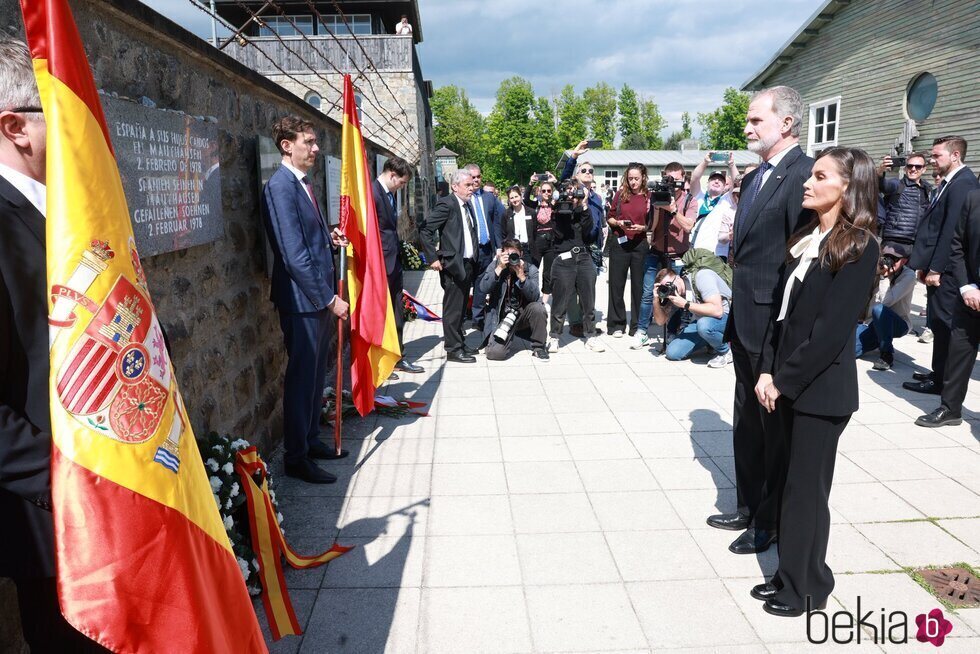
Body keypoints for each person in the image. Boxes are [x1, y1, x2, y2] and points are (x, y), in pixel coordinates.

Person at [0, 37, 109, 652]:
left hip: (109, 484)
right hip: (55, 513)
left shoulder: (65, 211)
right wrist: (69, 480)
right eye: (57, 110)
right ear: (15, 126)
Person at [752, 147, 880, 618]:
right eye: (811, 175)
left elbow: (829, 333)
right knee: (789, 485)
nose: (808, 182)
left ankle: (807, 587)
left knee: (806, 492)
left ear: (848, 186)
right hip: (787, 382)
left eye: (820, 176)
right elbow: (781, 315)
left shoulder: (860, 246)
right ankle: (788, 573)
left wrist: (782, 381)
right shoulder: (808, 237)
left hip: (821, 392)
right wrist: (767, 370)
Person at [708, 85, 814, 557]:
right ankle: (748, 506)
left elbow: (799, 262)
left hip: (773, 324)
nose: (747, 128)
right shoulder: (753, 178)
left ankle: (769, 520)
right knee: (746, 422)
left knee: (773, 429)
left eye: (756, 120)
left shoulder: (803, 175)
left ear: (786, 123)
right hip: (744, 320)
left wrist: (784, 332)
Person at [261, 116, 351, 484]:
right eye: (308, 142)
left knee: (315, 377)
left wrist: (329, 237)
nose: (316, 148)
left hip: (315, 299)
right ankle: (296, 457)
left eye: (315, 142)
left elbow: (306, 239)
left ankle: (311, 440)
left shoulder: (301, 183)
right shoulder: (280, 187)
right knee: (301, 380)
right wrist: (329, 299)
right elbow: (293, 255)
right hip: (303, 302)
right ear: (287, 145)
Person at [905, 136, 979, 395]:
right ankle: (938, 374)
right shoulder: (951, 182)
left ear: (955, 155)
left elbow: (951, 232)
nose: (932, 160)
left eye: (937, 156)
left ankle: (942, 382)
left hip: (947, 271)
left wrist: (936, 268)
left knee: (945, 325)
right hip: (938, 268)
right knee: (937, 322)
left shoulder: (963, 183)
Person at [916, 189, 980, 427]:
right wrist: (967, 286)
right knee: (958, 353)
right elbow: (957, 245)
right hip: (970, 295)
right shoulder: (973, 198)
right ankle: (950, 409)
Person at [632, 161, 699, 349]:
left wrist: (673, 210)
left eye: (675, 180)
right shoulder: (657, 196)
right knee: (648, 293)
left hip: (678, 255)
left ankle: (672, 331)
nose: (672, 184)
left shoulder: (690, 200)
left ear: (683, 179)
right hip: (656, 252)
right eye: (669, 179)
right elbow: (651, 228)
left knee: (676, 294)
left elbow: (688, 226)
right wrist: (656, 207)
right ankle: (642, 331)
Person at [419, 169, 480, 363]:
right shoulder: (447, 204)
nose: (471, 188)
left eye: (472, 185)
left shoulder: (466, 205)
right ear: (455, 186)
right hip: (453, 265)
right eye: (467, 185)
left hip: (468, 263)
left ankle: (460, 342)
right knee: (453, 308)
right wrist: (432, 258)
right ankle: (453, 349)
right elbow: (425, 230)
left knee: (461, 307)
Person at [551, 142, 606, 351]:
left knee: (588, 299)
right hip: (565, 256)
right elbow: (559, 232)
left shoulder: (594, 199)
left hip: (586, 253)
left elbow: (590, 229)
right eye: (584, 171)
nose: (588, 173)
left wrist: (583, 207)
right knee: (561, 300)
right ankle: (555, 336)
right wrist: (573, 156)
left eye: (591, 171)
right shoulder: (563, 205)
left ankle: (590, 335)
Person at [372, 155, 424, 375]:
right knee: (380, 316)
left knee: (396, 312)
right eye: (401, 182)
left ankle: (397, 357)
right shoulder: (373, 193)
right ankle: (380, 362)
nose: (401, 187)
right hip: (380, 265)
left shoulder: (389, 194)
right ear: (392, 175)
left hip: (393, 263)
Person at [476, 239, 549, 361]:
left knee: (539, 308)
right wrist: (499, 268)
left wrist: (522, 277)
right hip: (502, 317)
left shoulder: (530, 269)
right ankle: (499, 340)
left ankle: (539, 347)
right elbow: (483, 288)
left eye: (514, 255)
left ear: (521, 254)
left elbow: (535, 296)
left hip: (523, 315)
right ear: (502, 254)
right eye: (508, 254)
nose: (511, 258)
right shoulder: (496, 265)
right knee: (494, 354)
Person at [652, 267, 733, 367]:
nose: (668, 288)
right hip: (701, 322)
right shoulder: (673, 293)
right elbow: (660, 321)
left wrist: (685, 304)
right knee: (673, 353)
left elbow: (718, 311)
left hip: (728, 318)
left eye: (669, 284)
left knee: (704, 325)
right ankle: (711, 342)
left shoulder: (702, 277)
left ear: (678, 278)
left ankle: (726, 351)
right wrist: (655, 300)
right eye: (664, 287)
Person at [606, 162, 651, 337]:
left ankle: (637, 325)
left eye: (636, 178)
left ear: (643, 178)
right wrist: (618, 223)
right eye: (630, 178)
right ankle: (617, 324)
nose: (633, 182)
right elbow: (610, 217)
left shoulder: (648, 196)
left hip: (640, 243)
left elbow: (652, 223)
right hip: (620, 242)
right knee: (616, 285)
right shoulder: (620, 194)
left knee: (639, 286)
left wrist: (643, 228)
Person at [855, 242, 915, 370]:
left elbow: (886, 302)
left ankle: (886, 354)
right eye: (886, 257)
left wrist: (884, 277)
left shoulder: (908, 276)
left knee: (879, 310)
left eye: (894, 259)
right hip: (871, 323)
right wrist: (875, 272)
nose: (889, 261)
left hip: (898, 323)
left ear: (904, 261)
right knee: (849, 350)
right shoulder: (878, 270)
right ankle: (878, 339)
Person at [464, 163, 505, 331]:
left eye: (478, 176)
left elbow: (497, 222)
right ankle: (461, 317)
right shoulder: (464, 198)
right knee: (465, 284)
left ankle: (478, 319)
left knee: (481, 285)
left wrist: (499, 246)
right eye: (472, 177)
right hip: (469, 251)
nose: (476, 180)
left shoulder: (489, 198)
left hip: (486, 249)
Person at [876, 152, 931, 246]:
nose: (913, 169)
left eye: (918, 167)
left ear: (924, 169)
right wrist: (880, 172)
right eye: (910, 166)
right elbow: (883, 186)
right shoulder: (897, 184)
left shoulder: (927, 189)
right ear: (905, 168)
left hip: (916, 243)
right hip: (894, 242)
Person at [523, 174, 558, 302]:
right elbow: (526, 198)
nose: (546, 193)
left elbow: (564, 194)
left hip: (551, 242)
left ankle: (544, 300)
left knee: (548, 272)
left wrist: (556, 182)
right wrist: (531, 183)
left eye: (549, 191)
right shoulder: (535, 205)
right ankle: (531, 296)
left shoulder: (555, 205)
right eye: (544, 191)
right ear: (539, 192)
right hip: (537, 241)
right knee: (532, 269)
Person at [499, 184, 535, 249]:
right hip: (513, 249)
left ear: (520, 196)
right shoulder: (506, 214)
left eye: (516, 196)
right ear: (509, 200)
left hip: (528, 248)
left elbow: (535, 231)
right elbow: (503, 234)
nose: (514, 200)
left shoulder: (531, 212)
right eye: (512, 198)